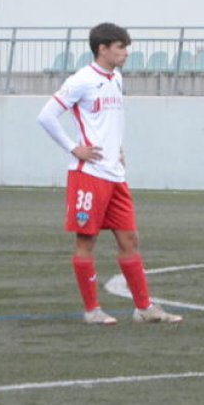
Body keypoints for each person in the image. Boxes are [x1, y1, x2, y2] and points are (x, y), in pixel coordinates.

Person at [36, 23, 183, 325]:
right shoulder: (82, 80)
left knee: (130, 239)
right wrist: (73, 148)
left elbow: (108, 122)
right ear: (102, 49)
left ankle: (144, 308)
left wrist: (119, 148)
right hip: (89, 174)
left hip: (115, 174)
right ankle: (92, 310)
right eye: (120, 47)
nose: (126, 53)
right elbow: (46, 116)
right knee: (86, 242)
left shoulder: (116, 78)